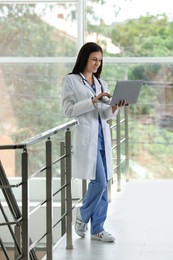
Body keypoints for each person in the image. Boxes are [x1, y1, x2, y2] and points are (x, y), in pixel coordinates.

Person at [62, 42, 127, 242]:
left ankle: (98, 228)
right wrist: (93, 100)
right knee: (98, 182)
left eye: (99, 60)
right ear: (84, 58)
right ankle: (82, 215)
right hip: (87, 138)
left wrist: (115, 106)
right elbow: (68, 110)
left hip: (102, 137)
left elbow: (105, 115)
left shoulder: (101, 83)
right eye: (94, 59)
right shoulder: (71, 80)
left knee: (104, 182)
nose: (97, 64)